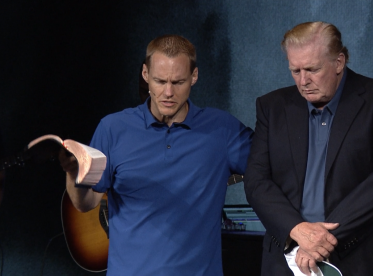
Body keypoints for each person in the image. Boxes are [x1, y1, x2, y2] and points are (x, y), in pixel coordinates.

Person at [60, 34, 253, 275]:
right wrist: (72, 173)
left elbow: (275, 165)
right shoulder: (112, 129)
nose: (168, 92)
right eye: (160, 81)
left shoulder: (223, 129)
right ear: (145, 75)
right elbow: (85, 203)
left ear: (194, 76)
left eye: (178, 82)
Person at [244, 21, 373, 276]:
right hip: (286, 259)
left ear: (339, 62)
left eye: (312, 69)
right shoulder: (271, 107)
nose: (303, 81)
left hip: (364, 259)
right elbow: (256, 181)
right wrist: (297, 229)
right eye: (295, 70)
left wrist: (319, 240)